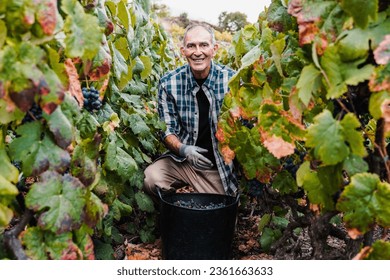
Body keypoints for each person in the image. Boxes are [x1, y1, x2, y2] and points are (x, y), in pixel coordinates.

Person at [143, 23, 238, 201]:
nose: (197, 52)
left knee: (218, 213)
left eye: (203, 45)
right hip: (183, 162)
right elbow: (167, 129)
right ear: (183, 51)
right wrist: (184, 149)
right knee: (151, 179)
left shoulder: (232, 81)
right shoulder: (169, 83)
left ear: (214, 49)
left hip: (216, 167)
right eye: (191, 46)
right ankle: (171, 208)